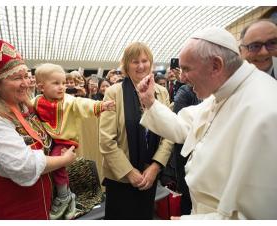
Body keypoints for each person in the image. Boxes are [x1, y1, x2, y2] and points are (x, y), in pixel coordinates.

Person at [138, 27, 277, 219]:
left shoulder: (264, 110)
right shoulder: (222, 94)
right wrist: (150, 102)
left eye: (186, 69)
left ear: (215, 66)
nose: (182, 77)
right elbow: (184, 128)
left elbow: (256, 217)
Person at [0, 39, 77, 219]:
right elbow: (22, 166)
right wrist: (63, 160)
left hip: (44, 206)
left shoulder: (26, 108)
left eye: (26, 75)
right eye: (17, 78)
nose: (26, 83)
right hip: (13, 212)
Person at [99, 42, 173, 219]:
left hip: (150, 175)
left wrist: (156, 166)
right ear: (126, 65)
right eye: (134, 62)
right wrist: (129, 172)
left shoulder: (161, 93)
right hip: (121, 177)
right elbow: (106, 140)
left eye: (144, 60)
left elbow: (168, 135)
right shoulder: (113, 93)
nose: (141, 66)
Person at [33, 63, 115, 220]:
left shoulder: (69, 100)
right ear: (41, 87)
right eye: (56, 83)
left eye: (63, 83)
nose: (62, 87)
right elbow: (26, 108)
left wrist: (102, 105)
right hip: (48, 140)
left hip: (65, 142)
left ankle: (64, 196)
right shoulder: (36, 101)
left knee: (57, 163)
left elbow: (84, 103)